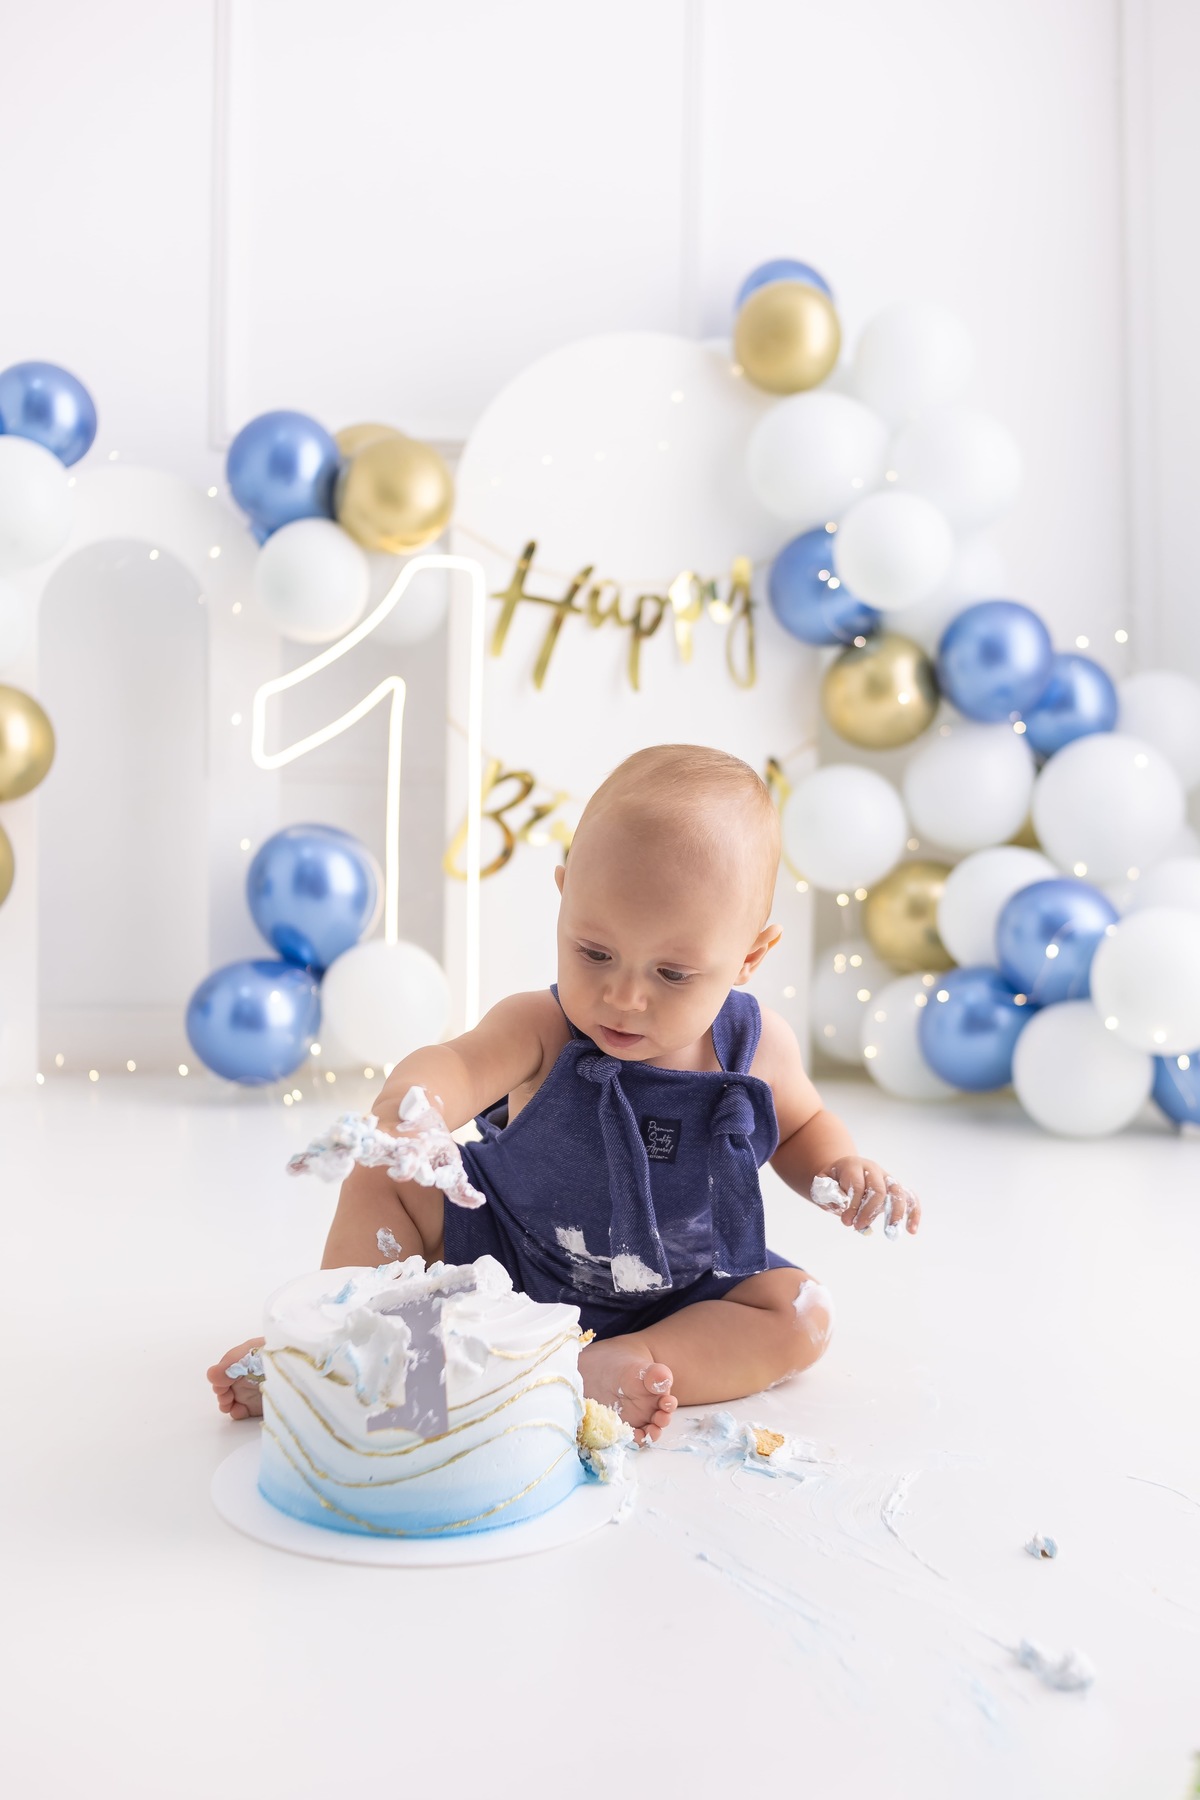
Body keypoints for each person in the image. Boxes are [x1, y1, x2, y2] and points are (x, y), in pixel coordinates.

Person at [210, 744, 920, 1444]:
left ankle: (617, 1363)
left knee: (799, 1311)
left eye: (673, 974)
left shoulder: (758, 1049)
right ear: (564, 899)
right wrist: (413, 1112)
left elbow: (800, 1128)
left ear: (748, 958)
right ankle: (342, 1342)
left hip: (672, 1292)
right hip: (503, 1255)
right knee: (380, 1179)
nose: (624, 996)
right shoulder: (540, 1028)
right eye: (595, 952)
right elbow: (454, 1064)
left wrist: (840, 1170)